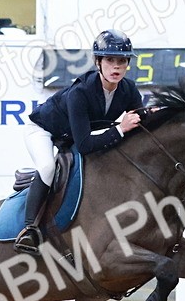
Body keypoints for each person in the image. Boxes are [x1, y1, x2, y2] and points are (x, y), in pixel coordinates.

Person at [15, 29, 143, 254]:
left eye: (122, 61)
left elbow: (140, 119)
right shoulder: (81, 92)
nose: (116, 67)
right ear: (98, 62)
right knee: (47, 167)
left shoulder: (128, 89)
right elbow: (84, 145)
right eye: (110, 60)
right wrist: (120, 129)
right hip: (44, 130)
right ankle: (29, 229)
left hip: (73, 135)